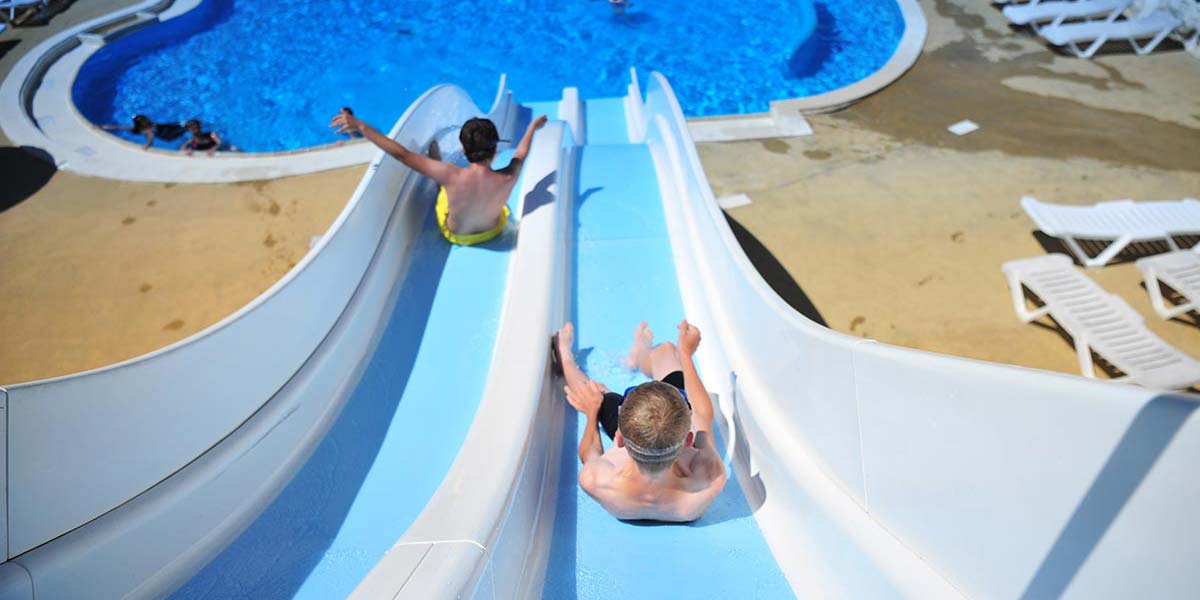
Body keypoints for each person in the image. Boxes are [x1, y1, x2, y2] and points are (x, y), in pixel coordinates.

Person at [553, 320, 727, 522]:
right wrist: (686, 355)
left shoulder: (596, 481)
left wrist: (592, 412)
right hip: (672, 438)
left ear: (619, 437)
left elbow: (589, 453)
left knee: (595, 393)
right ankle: (640, 355)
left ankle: (563, 354)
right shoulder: (709, 479)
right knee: (666, 350)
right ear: (689, 439)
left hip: (633, 441)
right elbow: (702, 412)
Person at [331, 108, 547, 246]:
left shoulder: (451, 175)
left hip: (455, 235)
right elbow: (520, 153)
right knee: (462, 186)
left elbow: (401, 154)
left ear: (463, 150)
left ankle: (434, 160)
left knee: (445, 184)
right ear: (495, 151)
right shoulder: (508, 176)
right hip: (492, 231)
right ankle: (436, 162)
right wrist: (532, 127)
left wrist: (360, 125)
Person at [101, 115, 187, 150]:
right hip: (167, 134)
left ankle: (183, 125)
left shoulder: (138, 130)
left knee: (176, 127)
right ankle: (183, 125)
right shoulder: (148, 130)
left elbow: (118, 127)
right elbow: (150, 139)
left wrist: (103, 127)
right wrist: (146, 146)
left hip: (166, 132)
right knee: (180, 128)